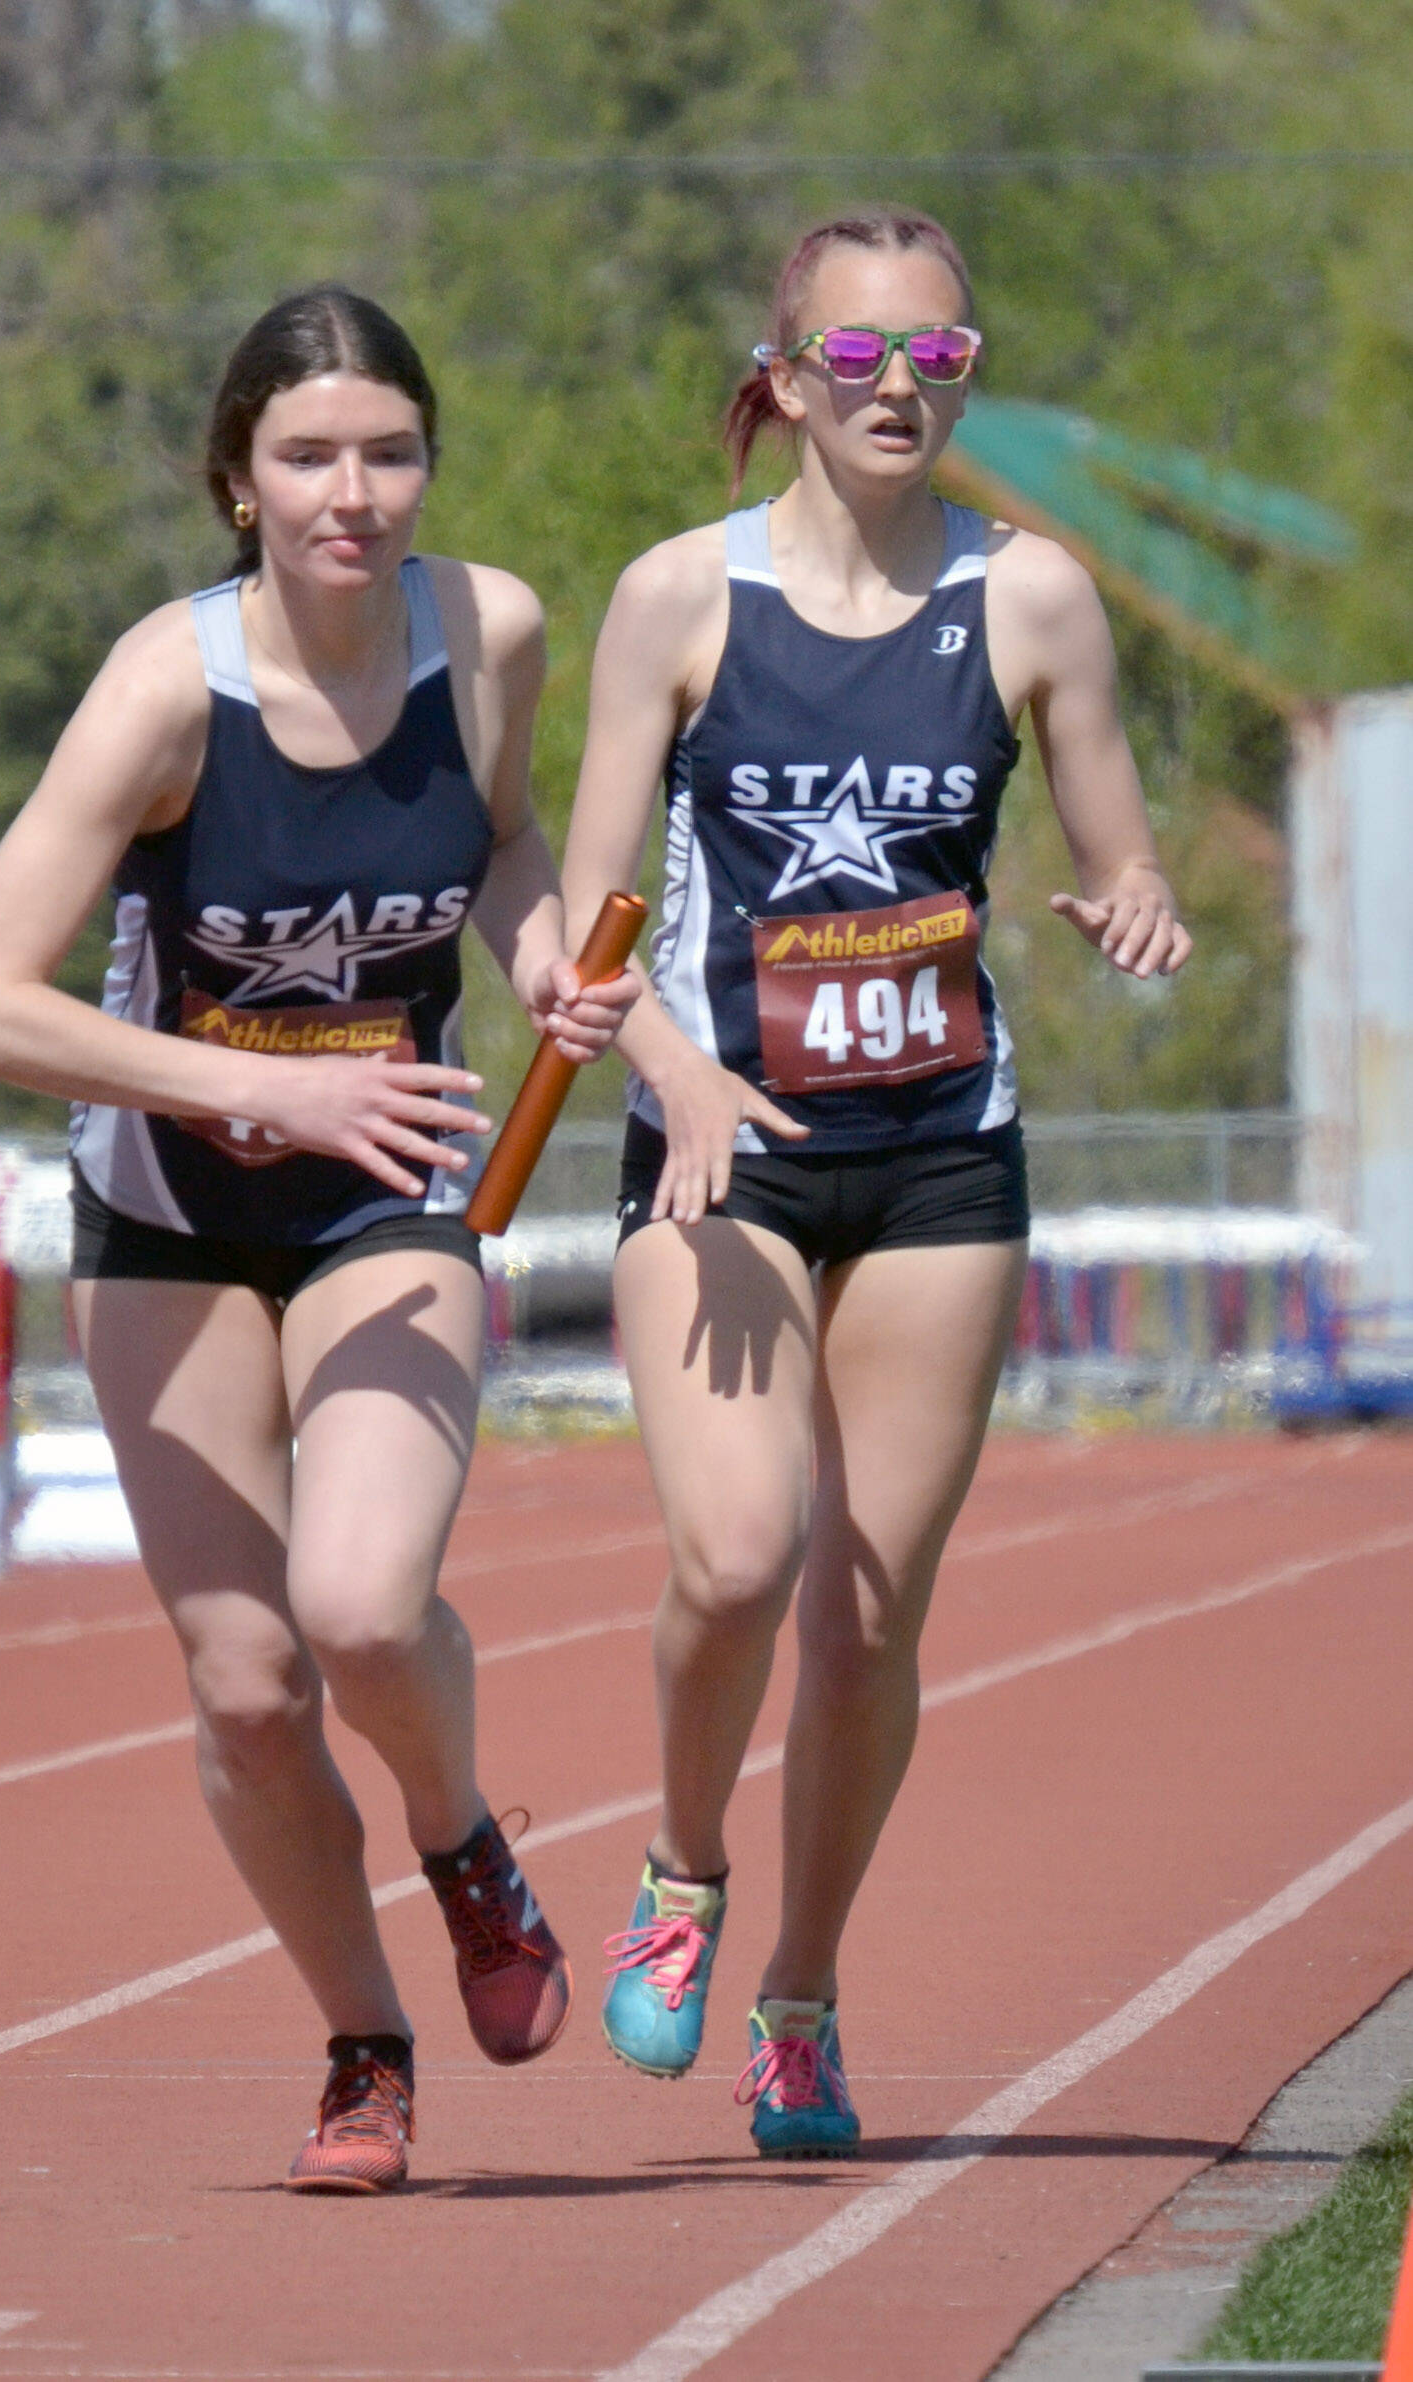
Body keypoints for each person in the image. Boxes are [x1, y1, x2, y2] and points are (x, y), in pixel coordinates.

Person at [0, 284, 634, 2194]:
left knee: (360, 1607)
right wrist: (248, 1086)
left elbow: (501, 841)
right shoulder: (168, 688)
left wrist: (545, 949)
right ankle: (362, 2045)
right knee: (246, 1681)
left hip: (388, 1193)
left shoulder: (487, 630)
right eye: (309, 456)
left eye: (390, 453)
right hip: (168, 1209)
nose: (355, 493)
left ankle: (464, 1834)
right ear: (235, 480)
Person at [561, 208, 1191, 2158]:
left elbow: (1121, 847)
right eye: (855, 358)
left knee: (865, 1617)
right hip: (717, 1156)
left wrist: (1136, 907)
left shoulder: (1036, 601)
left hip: (937, 1159)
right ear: (787, 380)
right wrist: (664, 1062)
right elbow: (577, 925)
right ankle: (679, 1872)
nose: (899, 384)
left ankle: (803, 2002)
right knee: (737, 1554)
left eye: (937, 352)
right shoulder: (679, 599)